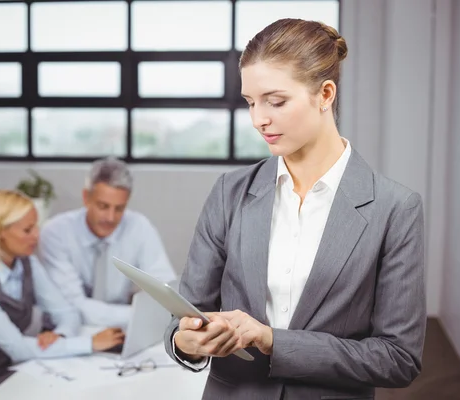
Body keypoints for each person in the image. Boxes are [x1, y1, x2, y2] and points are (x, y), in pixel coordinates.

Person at [164, 18, 426, 400]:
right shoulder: (229, 193)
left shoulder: (395, 209)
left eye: (276, 101)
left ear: (325, 94)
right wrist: (186, 340)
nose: (258, 119)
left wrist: (272, 341)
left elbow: (398, 358)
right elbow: (184, 316)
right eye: (251, 102)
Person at [0, 190, 124, 400]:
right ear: (0, 231)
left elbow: (67, 312)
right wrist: (90, 343)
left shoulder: (27, 264)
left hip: (4, 372)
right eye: (27, 230)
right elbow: (18, 348)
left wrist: (61, 335)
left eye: (36, 226)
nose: (36, 235)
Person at [37, 157, 176, 328]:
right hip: (66, 332)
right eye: (103, 206)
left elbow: (166, 290)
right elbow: (73, 307)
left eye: (119, 208)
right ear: (86, 197)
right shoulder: (55, 232)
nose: (110, 218)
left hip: (121, 331)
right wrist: (138, 315)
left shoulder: (139, 227)